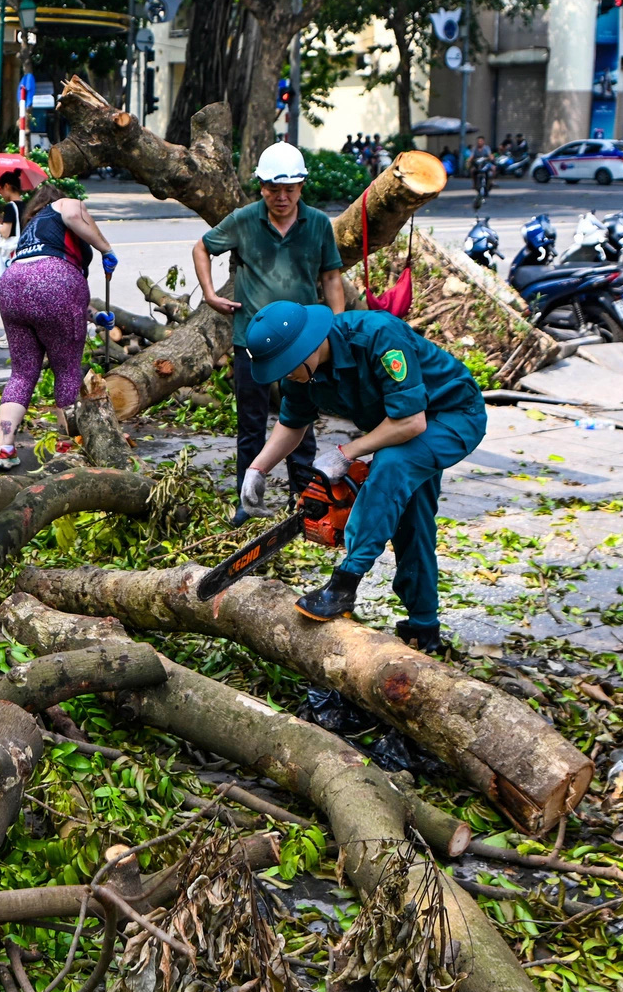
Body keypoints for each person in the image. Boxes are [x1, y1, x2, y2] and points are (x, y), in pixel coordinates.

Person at [236, 300, 487, 653]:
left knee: (391, 467)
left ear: (306, 347)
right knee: (411, 522)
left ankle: (345, 583)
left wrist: (347, 453)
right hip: (397, 427)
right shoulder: (300, 370)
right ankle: (424, 627)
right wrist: (257, 468)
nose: (285, 376)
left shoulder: (376, 336)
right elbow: (292, 424)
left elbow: (412, 422)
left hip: (452, 415)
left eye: (287, 368)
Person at [192, 141, 346, 521]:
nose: (281, 197)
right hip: (252, 341)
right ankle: (246, 502)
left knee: (301, 424)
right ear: (261, 186)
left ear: (301, 187)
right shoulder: (245, 219)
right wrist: (210, 294)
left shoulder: (318, 223)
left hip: (303, 344)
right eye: (273, 189)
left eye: (289, 189)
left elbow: (331, 277)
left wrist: (337, 325)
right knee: (251, 426)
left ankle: (304, 497)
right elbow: (201, 248)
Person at [0, 185, 118, 470]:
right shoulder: (63, 205)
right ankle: (66, 446)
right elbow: (54, 284)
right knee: (67, 369)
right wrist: (106, 248)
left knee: (22, 372)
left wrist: (93, 316)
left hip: (12, 287)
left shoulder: (34, 228)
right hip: (56, 286)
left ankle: (3, 447)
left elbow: (47, 291)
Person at [0, 169, 28, 281]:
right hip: (24, 250)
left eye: (0, 190)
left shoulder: (10, 206)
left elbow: (5, 233)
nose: (0, 194)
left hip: (12, 253)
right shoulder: (26, 205)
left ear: (7, 186)